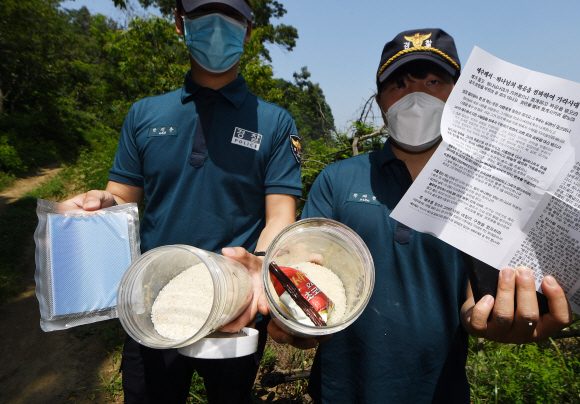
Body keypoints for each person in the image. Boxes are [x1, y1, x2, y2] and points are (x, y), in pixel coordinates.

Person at [263, 28, 573, 403]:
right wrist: (291, 313)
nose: (416, 97)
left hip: (439, 391)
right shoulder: (338, 179)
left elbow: (474, 299)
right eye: (399, 85)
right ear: (380, 102)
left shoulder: (487, 191)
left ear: (460, 95)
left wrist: (490, 314)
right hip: (341, 390)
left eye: (432, 81)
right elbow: (309, 268)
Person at [64, 0, 302, 402]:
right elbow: (122, 197)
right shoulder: (144, 113)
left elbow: (279, 216)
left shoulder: (275, 123)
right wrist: (101, 202)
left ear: (247, 30)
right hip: (154, 300)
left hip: (236, 304)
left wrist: (256, 267)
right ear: (179, 22)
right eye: (203, 12)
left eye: (230, 16)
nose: (216, 27)